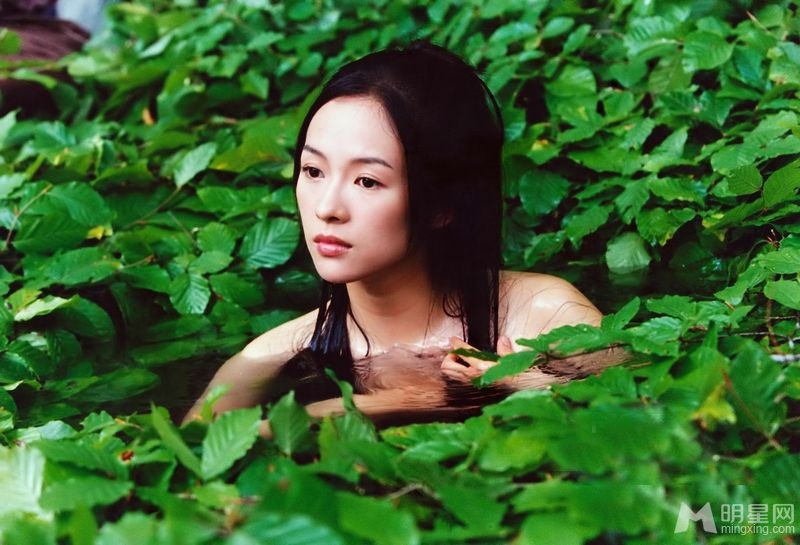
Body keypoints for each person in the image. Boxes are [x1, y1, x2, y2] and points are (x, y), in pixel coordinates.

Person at [185, 41, 602, 431]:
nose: (327, 207)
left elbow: (629, 409)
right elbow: (192, 454)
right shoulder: (271, 356)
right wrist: (388, 403)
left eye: (367, 181)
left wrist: (526, 382)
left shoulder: (544, 314)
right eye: (313, 171)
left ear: (442, 205)